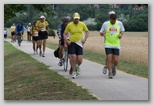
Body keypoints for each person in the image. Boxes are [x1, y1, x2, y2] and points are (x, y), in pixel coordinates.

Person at [63, 12, 89, 79]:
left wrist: (85, 39)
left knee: (80, 59)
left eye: (77, 19)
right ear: (73, 19)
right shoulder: (69, 25)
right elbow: (64, 34)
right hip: (72, 43)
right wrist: (67, 41)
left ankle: (76, 66)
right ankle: (74, 72)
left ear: (79, 19)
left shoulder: (82, 24)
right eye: (75, 19)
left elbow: (87, 32)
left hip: (80, 43)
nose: (76, 20)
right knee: (73, 57)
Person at [99, 14, 125, 79]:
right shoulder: (105, 24)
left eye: (114, 20)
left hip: (116, 44)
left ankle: (113, 66)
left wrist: (121, 34)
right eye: (112, 20)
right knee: (109, 58)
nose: (113, 21)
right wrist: (102, 34)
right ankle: (110, 72)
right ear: (110, 19)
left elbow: (122, 30)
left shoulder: (119, 23)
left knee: (116, 60)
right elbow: (101, 32)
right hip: (108, 44)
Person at [100, 11, 116, 75]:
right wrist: (104, 35)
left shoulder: (116, 22)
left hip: (114, 42)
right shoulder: (106, 23)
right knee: (108, 56)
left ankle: (112, 66)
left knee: (113, 57)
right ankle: (106, 66)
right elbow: (103, 31)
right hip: (108, 41)